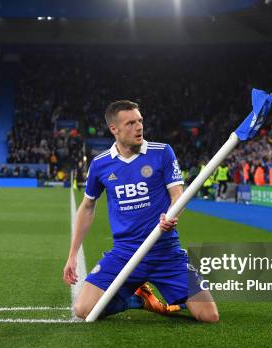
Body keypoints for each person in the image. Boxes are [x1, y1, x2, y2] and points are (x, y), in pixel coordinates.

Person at [63, 100, 219, 323]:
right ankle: (135, 299)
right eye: (130, 123)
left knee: (209, 316)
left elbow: (178, 195)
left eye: (140, 121)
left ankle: (179, 294)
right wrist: (72, 255)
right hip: (124, 254)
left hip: (165, 252)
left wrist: (171, 215)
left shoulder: (162, 152)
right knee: (83, 309)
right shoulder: (100, 164)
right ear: (114, 129)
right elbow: (87, 207)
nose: (139, 127)